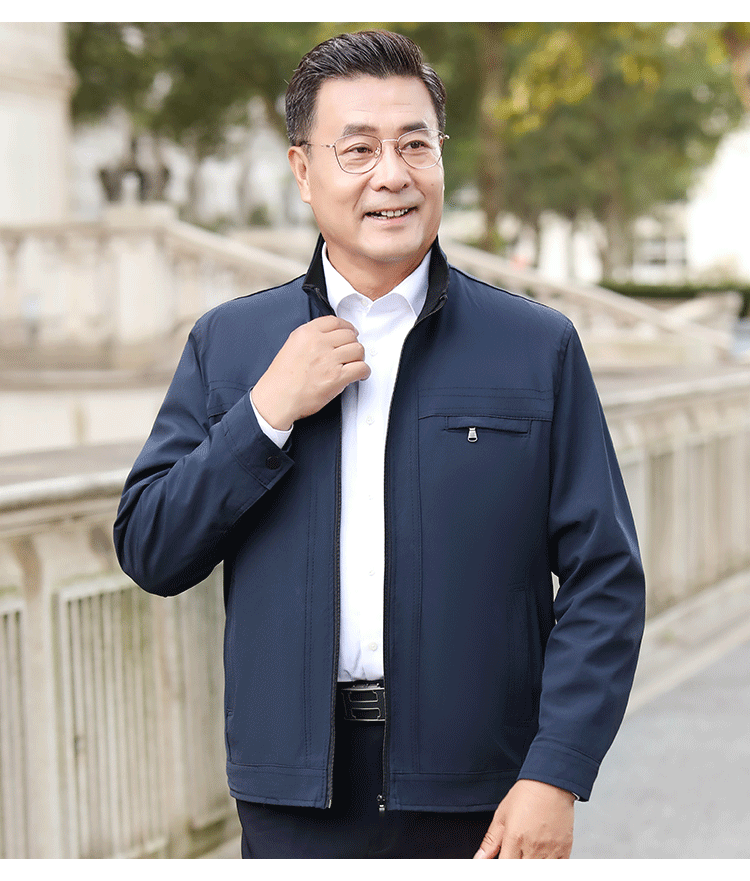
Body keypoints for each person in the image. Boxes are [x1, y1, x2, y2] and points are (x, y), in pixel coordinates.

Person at [114, 30, 645, 859]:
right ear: (303, 171)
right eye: (358, 149)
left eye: (414, 145)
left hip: (484, 792)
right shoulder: (231, 344)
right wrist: (265, 413)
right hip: (293, 795)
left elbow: (605, 576)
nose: (392, 174)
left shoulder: (535, 346)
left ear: (441, 157)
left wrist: (557, 769)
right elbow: (152, 547)